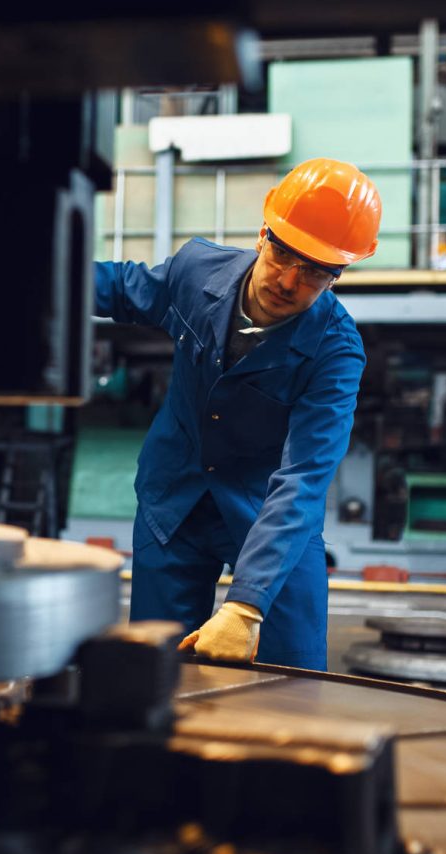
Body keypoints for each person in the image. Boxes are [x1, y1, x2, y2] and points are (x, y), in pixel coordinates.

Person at [94, 158, 381, 669]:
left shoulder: (336, 352)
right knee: (153, 672)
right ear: (262, 233)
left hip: (267, 514)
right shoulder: (196, 270)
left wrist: (247, 606)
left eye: (315, 271)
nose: (289, 281)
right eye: (284, 253)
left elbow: (305, 477)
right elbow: (120, 287)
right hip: (174, 502)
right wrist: (41, 269)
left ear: (339, 274)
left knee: (293, 678)